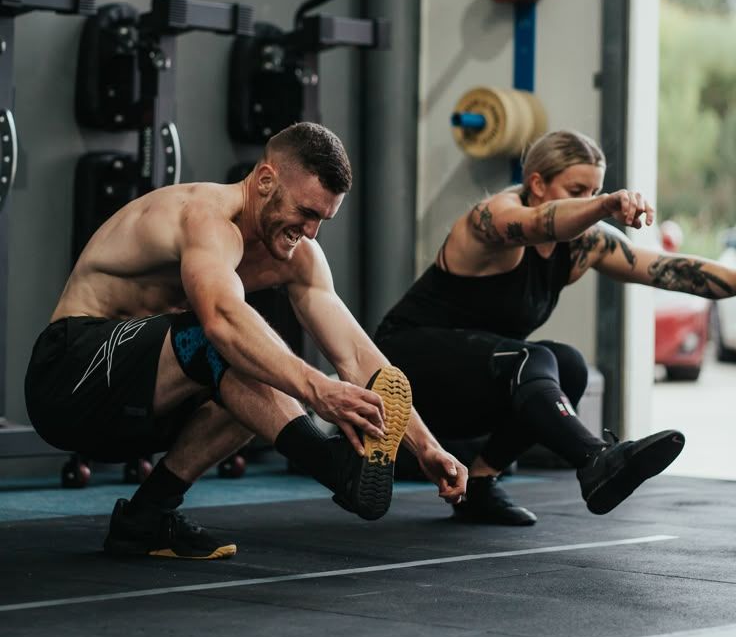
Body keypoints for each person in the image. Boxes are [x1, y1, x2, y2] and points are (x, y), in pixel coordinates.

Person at [25, 122, 467, 559]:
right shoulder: (205, 216)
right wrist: (319, 390)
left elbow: (355, 352)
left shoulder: (299, 257)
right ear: (266, 180)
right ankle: (333, 467)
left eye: (322, 219)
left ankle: (145, 517)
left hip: (140, 405)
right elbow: (219, 321)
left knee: (260, 361)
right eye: (306, 212)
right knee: (225, 338)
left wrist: (425, 446)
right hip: (68, 379)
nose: (311, 231)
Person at [375, 128, 700, 526]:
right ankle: (594, 459)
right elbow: (537, 224)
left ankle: (478, 486)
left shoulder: (585, 243)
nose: (589, 199)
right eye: (577, 189)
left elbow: (670, 271)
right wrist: (603, 204)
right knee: (533, 357)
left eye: (595, 190)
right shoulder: (492, 218)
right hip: (399, 370)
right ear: (538, 184)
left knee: (570, 366)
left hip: (467, 385)